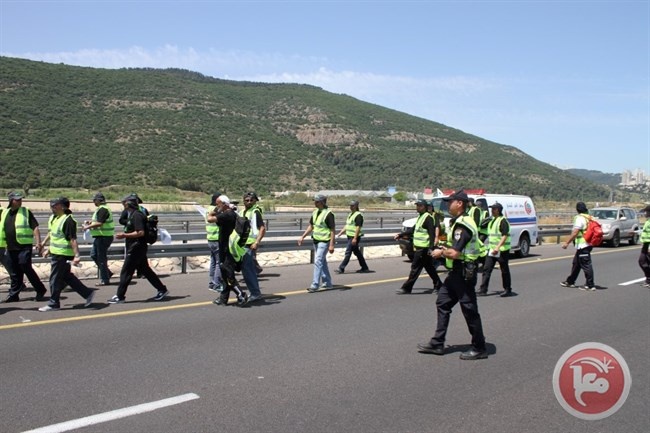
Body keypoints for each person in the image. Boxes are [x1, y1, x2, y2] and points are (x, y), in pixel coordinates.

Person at [417, 189, 488, 360]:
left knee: (469, 310)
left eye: (450, 202)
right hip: (456, 273)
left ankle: (479, 347)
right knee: (443, 303)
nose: (448, 204)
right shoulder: (458, 222)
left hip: (464, 273)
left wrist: (440, 253)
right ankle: (437, 343)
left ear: (460, 203)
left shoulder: (463, 224)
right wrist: (443, 248)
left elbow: (456, 253)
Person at [107, 195, 169, 304]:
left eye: (124, 203)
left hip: (136, 246)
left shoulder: (137, 216)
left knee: (126, 271)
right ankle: (162, 289)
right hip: (136, 246)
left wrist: (124, 235)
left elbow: (140, 232)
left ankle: (120, 296)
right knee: (145, 270)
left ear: (129, 204)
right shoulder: (132, 215)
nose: (123, 206)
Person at [37, 197, 95, 311]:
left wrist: (77, 255)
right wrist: (46, 246)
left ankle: (54, 303)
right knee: (66, 276)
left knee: (55, 278)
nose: (52, 206)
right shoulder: (54, 218)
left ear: (62, 206)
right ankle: (87, 293)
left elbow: (72, 239)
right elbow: (53, 234)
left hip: (62, 254)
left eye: (55, 204)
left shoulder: (68, 220)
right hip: (56, 252)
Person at [0, 191, 48, 303]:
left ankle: (40, 289)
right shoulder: (5, 212)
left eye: (21, 199)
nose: (20, 201)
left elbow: (35, 227)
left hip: (24, 246)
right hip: (11, 246)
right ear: (11, 201)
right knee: (15, 271)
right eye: (17, 199)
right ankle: (14, 295)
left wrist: (38, 242)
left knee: (24, 266)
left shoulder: (26, 211)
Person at [395, 199, 442, 294]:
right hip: (419, 248)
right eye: (417, 205)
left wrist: (431, 248)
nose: (417, 207)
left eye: (419, 206)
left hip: (423, 249)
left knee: (415, 267)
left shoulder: (428, 218)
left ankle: (407, 288)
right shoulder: (421, 217)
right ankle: (439, 285)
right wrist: (401, 234)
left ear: (424, 207)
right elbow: (413, 230)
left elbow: (431, 234)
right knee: (429, 268)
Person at [212, 195, 249, 306]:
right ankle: (223, 299)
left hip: (228, 249)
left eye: (218, 203)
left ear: (223, 203)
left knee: (228, 274)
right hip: (226, 248)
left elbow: (210, 218)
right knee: (224, 274)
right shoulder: (228, 214)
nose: (216, 206)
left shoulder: (228, 214)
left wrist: (213, 211)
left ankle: (241, 294)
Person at [298, 194, 335, 292]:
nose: (315, 203)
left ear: (322, 202)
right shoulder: (315, 212)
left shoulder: (328, 214)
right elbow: (311, 226)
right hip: (316, 240)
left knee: (318, 261)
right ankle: (328, 283)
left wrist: (331, 245)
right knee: (322, 262)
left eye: (317, 201)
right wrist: (303, 236)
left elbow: (332, 230)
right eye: (315, 201)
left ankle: (315, 284)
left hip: (324, 241)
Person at [477, 202, 513, 297]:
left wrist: (498, 247)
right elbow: (483, 226)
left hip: (501, 250)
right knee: (486, 269)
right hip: (492, 250)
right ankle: (483, 290)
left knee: (504, 270)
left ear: (497, 210)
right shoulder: (493, 220)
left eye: (493, 209)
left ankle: (507, 289)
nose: (491, 211)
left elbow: (504, 235)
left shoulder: (503, 221)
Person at [560, 201, 596, 291]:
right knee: (576, 263)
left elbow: (575, 232)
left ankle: (590, 285)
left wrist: (567, 242)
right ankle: (570, 281)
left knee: (586, 265)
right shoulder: (590, 217)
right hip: (588, 244)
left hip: (583, 245)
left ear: (577, 210)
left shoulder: (580, 218)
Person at [82, 192, 114, 286]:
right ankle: (107, 273)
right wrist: (91, 222)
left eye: (94, 200)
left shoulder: (103, 209)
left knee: (101, 258)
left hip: (104, 236)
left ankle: (105, 279)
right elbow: (98, 221)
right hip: (100, 236)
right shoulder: (101, 209)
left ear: (99, 200)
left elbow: (100, 223)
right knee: (94, 255)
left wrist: (87, 227)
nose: (93, 202)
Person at [241, 192, 266, 302]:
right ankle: (254, 292)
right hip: (241, 244)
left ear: (255, 201)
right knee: (246, 269)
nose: (249, 202)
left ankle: (255, 293)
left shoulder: (255, 212)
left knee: (248, 270)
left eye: (251, 200)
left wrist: (257, 242)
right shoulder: (242, 212)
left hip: (250, 244)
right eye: (247, 200)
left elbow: (262, 228)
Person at [335, 200, 370, 274]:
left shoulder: (358, 215)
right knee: (357, 252)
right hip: (349, 236)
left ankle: (341, 268)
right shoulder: (351, 214)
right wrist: (341, 232)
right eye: (350, 205)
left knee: (348, 252)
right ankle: (365, 267)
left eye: (352, 206)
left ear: (356, 206)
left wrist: (355, 238)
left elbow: (358, 227)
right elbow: (347, 225)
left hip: (354, 237)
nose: (351, 207)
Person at [205, 192, 223, 293]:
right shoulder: (216, 210)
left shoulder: (208, 209)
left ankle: (212, 283)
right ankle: (217, 284)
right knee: (219, 263)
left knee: (213, 262)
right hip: (217, 238)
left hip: (210, 238)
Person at [638, 205, 650, 288]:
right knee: (642, 261)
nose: (645, 213)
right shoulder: (648, 221)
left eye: (646, 212)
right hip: (645, 244)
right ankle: (648, 278)